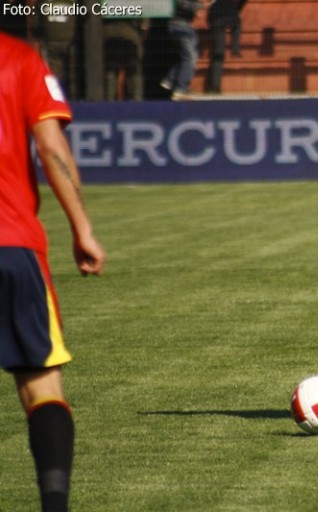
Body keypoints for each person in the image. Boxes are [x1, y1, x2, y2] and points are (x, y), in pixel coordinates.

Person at [0, 32, 106, 511]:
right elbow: (51, 145)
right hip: (12, 244)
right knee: (42, 385)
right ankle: (54, 506)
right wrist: (82, 228)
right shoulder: (18, 57)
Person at [161, 0, 203, 100]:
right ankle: (181, 89)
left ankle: (171, 79)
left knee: (190, 56)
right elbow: (183, 4)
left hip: (184, 25)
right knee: (190, 57)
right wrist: (198, 6)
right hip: (180, 25)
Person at [205, 0, 245, 93]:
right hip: (230, 14)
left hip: (216, 16)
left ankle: (215, 86)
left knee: (219, 53)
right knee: (237, 23)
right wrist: (237, 11)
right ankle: (235, 49)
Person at [103, 17, 147, 101]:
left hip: (108, 33)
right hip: (129, 35)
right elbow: (144, 25)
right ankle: (137, 102)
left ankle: (109, 101)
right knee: (134, 70)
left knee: (111, 70)